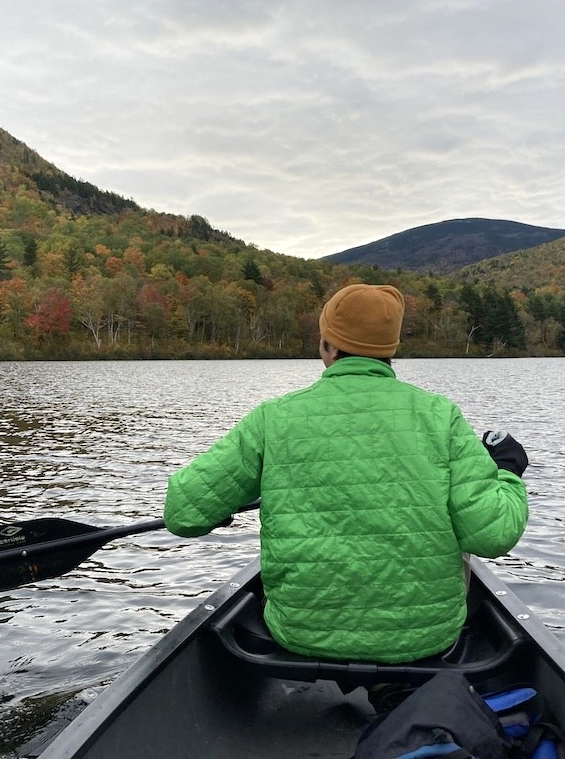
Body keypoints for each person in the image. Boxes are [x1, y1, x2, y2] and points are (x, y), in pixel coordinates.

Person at [164, 283, 528, 665]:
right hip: (426, 639)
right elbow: (492, 534)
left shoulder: (274, 418)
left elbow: (183, 514)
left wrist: (220, 506)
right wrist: (507, 471)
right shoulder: (441, 416)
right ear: (390, 349)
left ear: (328, 346)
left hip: (299, 633)